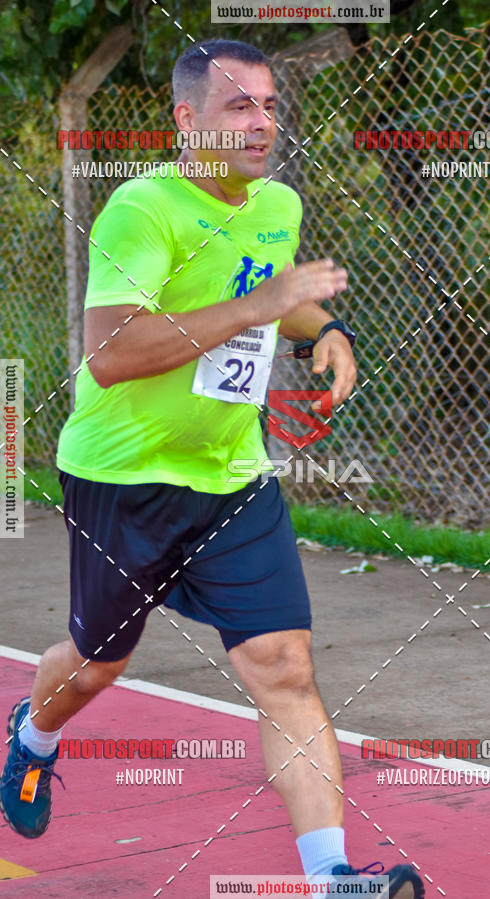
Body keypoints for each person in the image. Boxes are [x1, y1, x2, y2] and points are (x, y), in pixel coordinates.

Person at [0, 39, 424, 899]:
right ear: (188, 120)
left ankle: (332, 878)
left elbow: (273, 287)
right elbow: (112, 353)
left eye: (269, 105)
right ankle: (33, 736)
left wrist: (323, 328)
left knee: (284, 664)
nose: (262, 122)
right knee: (97, 664)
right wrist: (256, 306)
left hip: (233, 475)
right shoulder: (143, 208)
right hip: (127, 478)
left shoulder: (276, 203)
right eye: (240, 106)